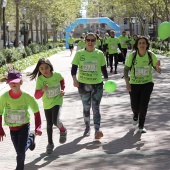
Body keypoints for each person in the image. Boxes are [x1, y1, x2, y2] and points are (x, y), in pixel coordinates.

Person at [0, 70, 42, 170]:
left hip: (24, 126)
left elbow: (36, 112)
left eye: (15, 81)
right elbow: (0, 113)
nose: (13, 84)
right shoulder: (4, 97)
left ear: (21, 82)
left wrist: (38, 127)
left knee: (20, 152)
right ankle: (31, 139)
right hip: (12, 128)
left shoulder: (27, 97)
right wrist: (0, 128)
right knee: (19, 150)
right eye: (11, 82)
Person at [71, 32, 108, 139]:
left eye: (93, 40)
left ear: (96, 42)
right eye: (88, 40)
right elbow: (74, 68)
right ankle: (87, 128)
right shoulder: (79, 54)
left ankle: (97, 130)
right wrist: (74, 79)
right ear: (85, 41)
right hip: (83, 85)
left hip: (97, 85)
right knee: (86, 107)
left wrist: (107, 80)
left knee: (96, 108)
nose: (90, 42)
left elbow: (103, 68)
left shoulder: (99, 54)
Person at [28, 58, 67, 154]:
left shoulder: (57, 75)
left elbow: (62, 80)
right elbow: (36, 96)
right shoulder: (40, 79)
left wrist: (62, 89)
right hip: (47, 104)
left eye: (46, 67)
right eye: (41, 69)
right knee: (49, 124)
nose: (44, 70)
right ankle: (50, 143)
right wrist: (42, 90)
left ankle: (63, 130)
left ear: (50, 67)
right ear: (39, 70)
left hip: (57, 100)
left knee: (55, 121)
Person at [124, 36, 161, 133]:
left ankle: (141, 126)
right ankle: (135, 115)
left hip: (147, 84)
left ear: (147, 45)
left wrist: (157, 67)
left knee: (144, 105)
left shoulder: (150, 55)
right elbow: (126, 69)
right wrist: (127, 83)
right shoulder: (132, 56)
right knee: (135, 106)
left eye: (143, 43)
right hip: (134, 84)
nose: (142, 45)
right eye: (140, 43)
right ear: (137, 45)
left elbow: (158, 70)